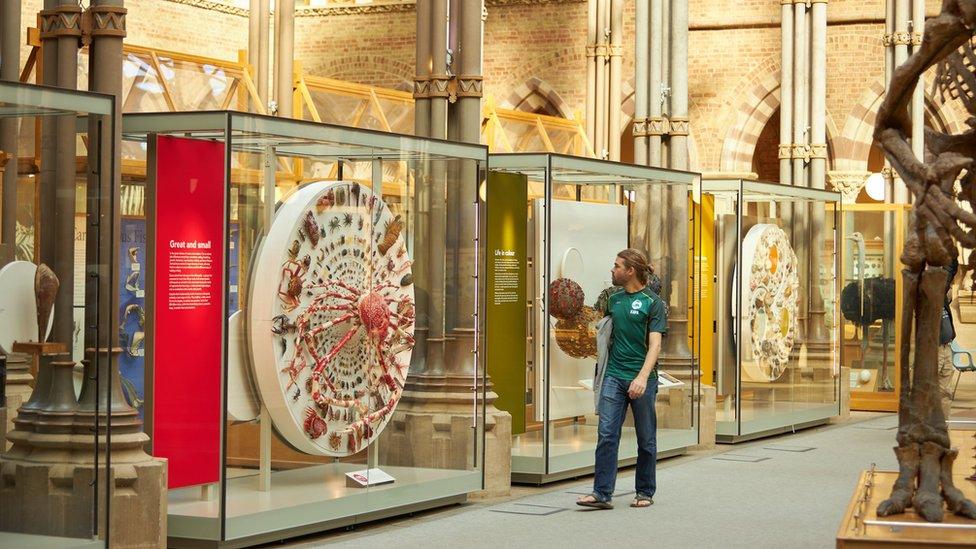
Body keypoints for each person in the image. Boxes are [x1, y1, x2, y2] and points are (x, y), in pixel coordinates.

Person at [577, 248, 667, 510]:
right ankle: (602, 493)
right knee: (606, 434)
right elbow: (597, 326)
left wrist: (641, 378)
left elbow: (655, 346)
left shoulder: (653, 303)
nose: (612, 270)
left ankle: (645, 491)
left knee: (646, 439)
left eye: (617, 266)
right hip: (614, 377)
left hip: (642, 379)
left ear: (630, 271)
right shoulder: (613, 300)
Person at [938, 257, 960, 420]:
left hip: (945, 347)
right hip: (934, 349)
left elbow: (950, 272)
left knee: (945, 391)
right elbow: (949, 272)